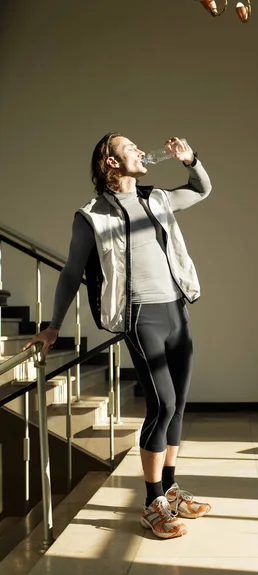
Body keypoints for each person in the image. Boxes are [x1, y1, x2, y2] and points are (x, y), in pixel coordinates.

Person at [23, 132, 213, 539]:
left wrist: (189, 158)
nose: (141, 151)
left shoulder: (156, 199)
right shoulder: (91, 215)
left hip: (175, 309)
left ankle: (171, 488)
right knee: (161, 406)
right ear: (110, 162)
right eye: (130, 148)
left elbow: (202, 188)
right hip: (140, 316)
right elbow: (72, 273)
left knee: (177, 404)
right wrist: (53, 325)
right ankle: (152, 502)